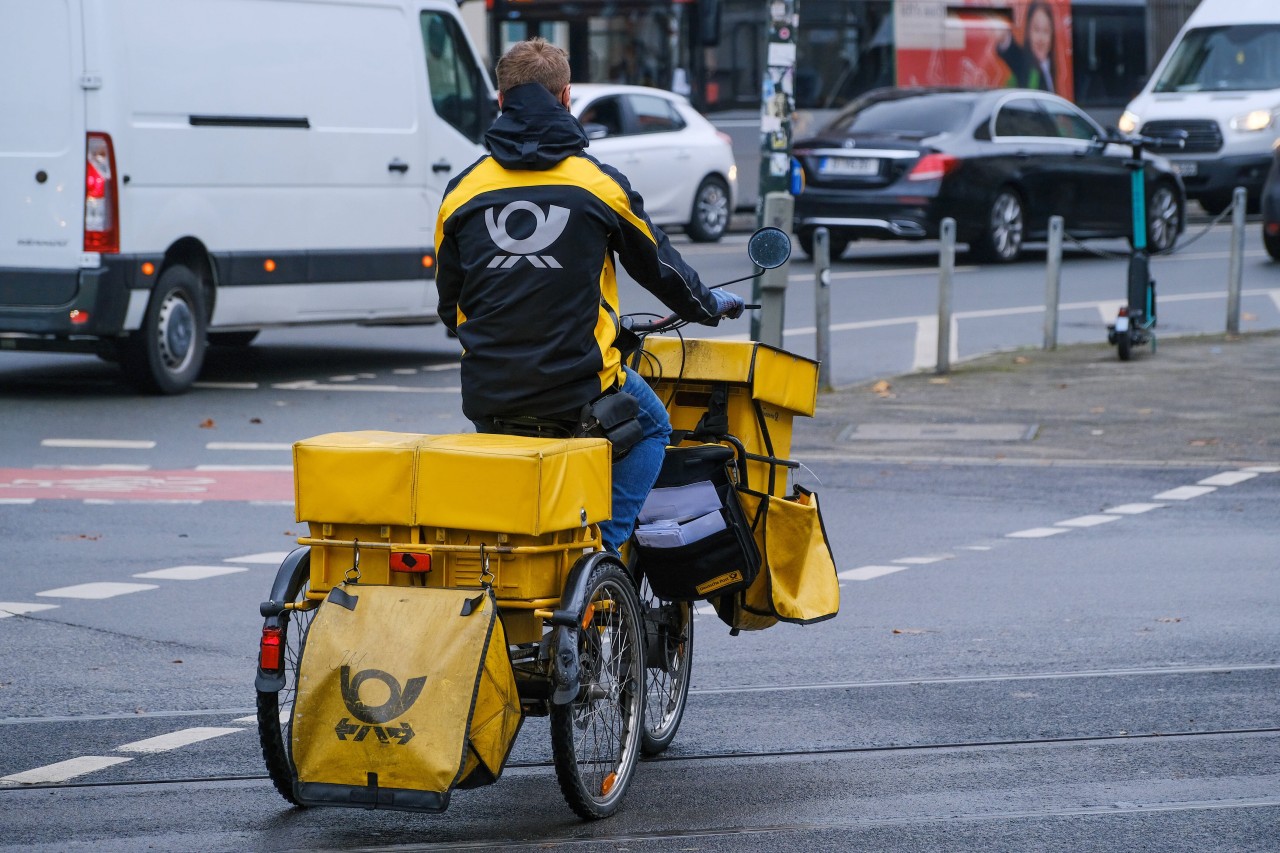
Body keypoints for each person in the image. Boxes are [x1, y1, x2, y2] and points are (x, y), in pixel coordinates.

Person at [434, 37, 745, 554]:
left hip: (488, 389)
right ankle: (603, 552)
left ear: (500, 101)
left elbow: (451, 302)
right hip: (578, 386)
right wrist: (708, 306)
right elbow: (662, 268)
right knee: (650, 430)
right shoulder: (599, 185)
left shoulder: (462, 191)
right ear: (566, 97)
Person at [996, 0, 1057, 94]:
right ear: (1028, 32)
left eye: (1046, 31)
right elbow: (1011, 50)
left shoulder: (1051, 68)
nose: (1041, 38)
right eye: (1036, 29)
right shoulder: (1023, 63)